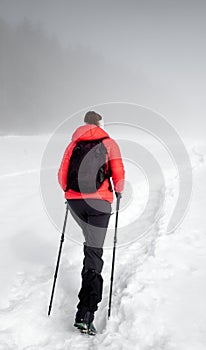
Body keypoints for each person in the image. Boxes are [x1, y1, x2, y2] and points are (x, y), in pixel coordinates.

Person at [58, 111, 125, 335]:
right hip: (99, 205)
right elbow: (118, 173)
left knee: (91, 246)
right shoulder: (109, 143)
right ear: (100, 124)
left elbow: (61, 176)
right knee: (94, 253)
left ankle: (85, 306)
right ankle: (86, 314)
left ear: (84, 124)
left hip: (75, 203)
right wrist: (119, 191)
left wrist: (72, 194)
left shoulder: (73, 144)